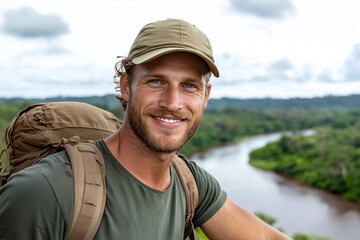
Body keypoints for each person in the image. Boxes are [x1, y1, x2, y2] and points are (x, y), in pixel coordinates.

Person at [0, 18, 291, 239]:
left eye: (189, 85)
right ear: (126, 86)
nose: (172, 102)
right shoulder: (46, 191)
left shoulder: (190, 183)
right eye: (156, 81)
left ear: (206, 96)